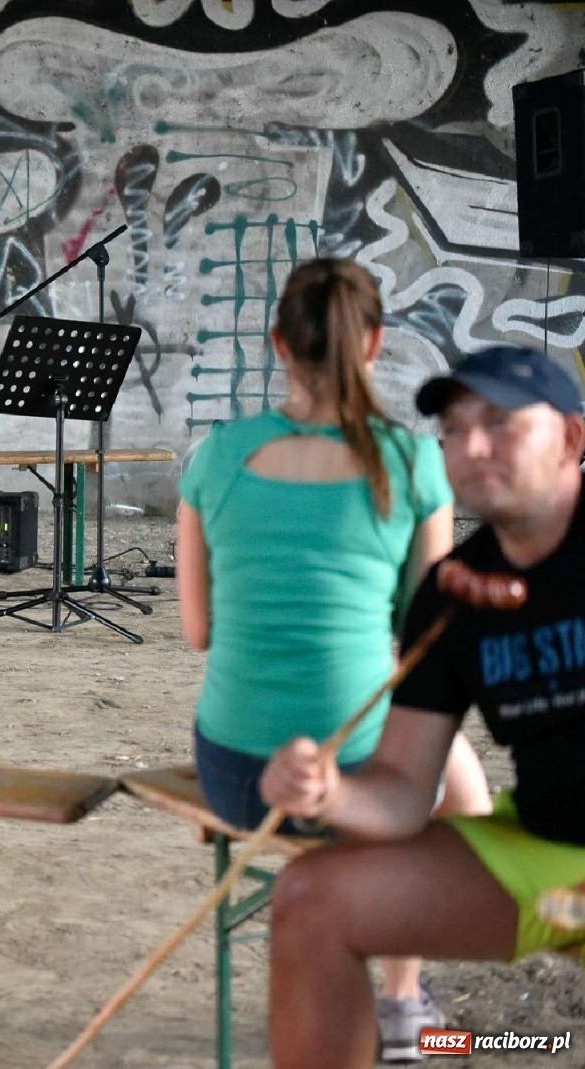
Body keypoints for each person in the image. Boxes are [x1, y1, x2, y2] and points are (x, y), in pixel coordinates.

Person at [176, 258, 490, 1062]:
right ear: (374, 344)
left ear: (279, 343)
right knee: (457, 782)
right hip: (358, 776)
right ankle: (403, 998)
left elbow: (198, 629)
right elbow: (421, 643)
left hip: (238, 773)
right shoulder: (413, 462)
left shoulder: (218, 455)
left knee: (437, 771)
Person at [258, 345, 585, 1069]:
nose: (472, 447)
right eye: (454, 430)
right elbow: (406, 787)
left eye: (499, 423)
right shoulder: (453, 591)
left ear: (570, 438)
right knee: (311, 898)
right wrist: (328, 791)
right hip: (551, 858)